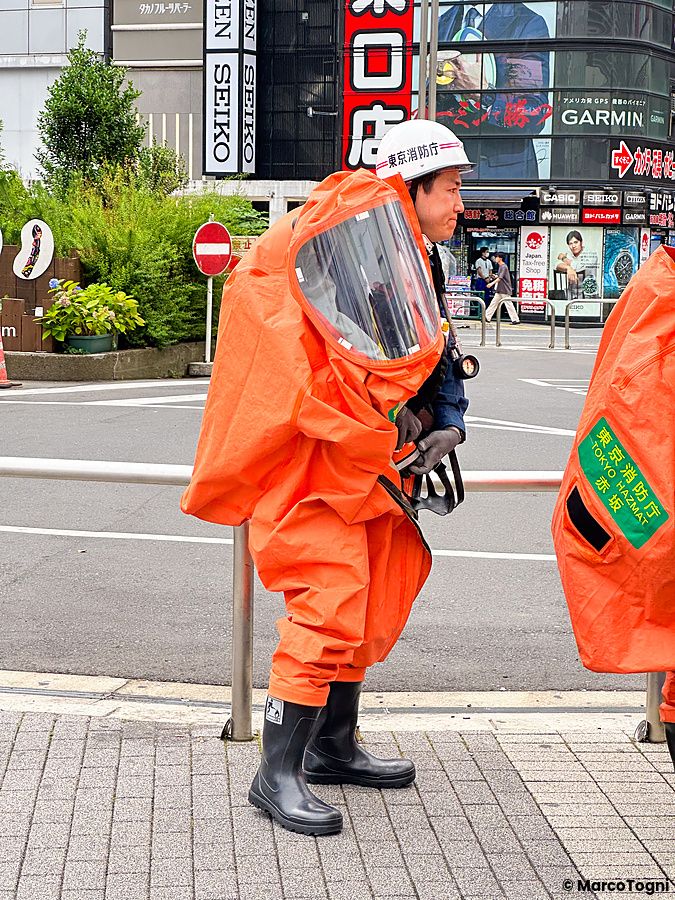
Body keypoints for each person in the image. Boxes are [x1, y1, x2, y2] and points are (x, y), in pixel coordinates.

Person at [181, 119, 471, 837]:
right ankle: (275, 772)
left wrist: (447, 421)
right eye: (455, 188)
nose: (463, 203)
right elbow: (297, 358)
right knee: (330, 599)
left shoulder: (410, 254)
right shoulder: (327, 244)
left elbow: (433, 351)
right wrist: (383, 418)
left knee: (366, 598)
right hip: (310, 463)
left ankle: (334, 746)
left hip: (363, 463)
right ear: (412, 187)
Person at [436, 2, 552, 180]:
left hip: (502, 175)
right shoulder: (443, 22)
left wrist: (484, 94)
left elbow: (533, 114)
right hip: (446, 169)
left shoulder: (526, 23)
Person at [555, 230, 600, 299]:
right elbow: (557, 265)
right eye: (570, 243)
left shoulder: (591, 254)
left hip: (588, 294)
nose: (573, 246)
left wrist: (564, 258)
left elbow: (579, 267)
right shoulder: (569, 254)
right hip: (571, 294)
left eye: (576, 242)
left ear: (581, 242)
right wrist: (568, 268)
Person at [485, 252, 520, 324]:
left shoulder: (503, 266)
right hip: (500, 289)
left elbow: (500, 278)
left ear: (500, 258)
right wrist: (495, 276)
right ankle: (487, 317)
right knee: (494, 303)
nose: (495, 258)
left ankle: (515, 319)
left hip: (504, 289)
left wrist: (491, 284)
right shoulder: (501, 266)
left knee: (508, 304)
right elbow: (500, 277)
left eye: (496, 257)